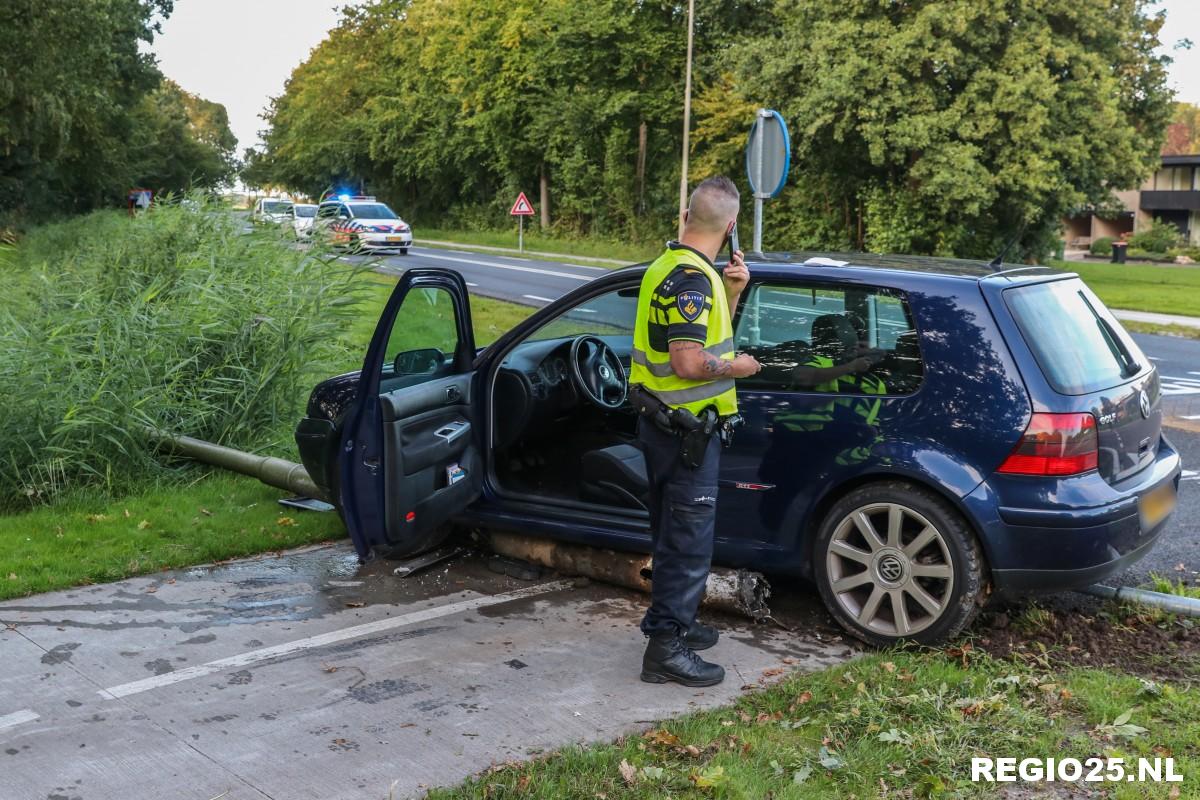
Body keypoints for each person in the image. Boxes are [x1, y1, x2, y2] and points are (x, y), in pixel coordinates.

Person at [628, 175, 761, 687]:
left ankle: (673, 622)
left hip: (661, 425)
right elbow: (688, 362)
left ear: (686, 215)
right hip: (686, 434)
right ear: (730, 228)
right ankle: (665, 649)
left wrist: (730, 291)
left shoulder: (669, 267)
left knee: (670, 536)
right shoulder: (690, 280)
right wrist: (740, 369)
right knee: (687, 543)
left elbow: (700, 337)